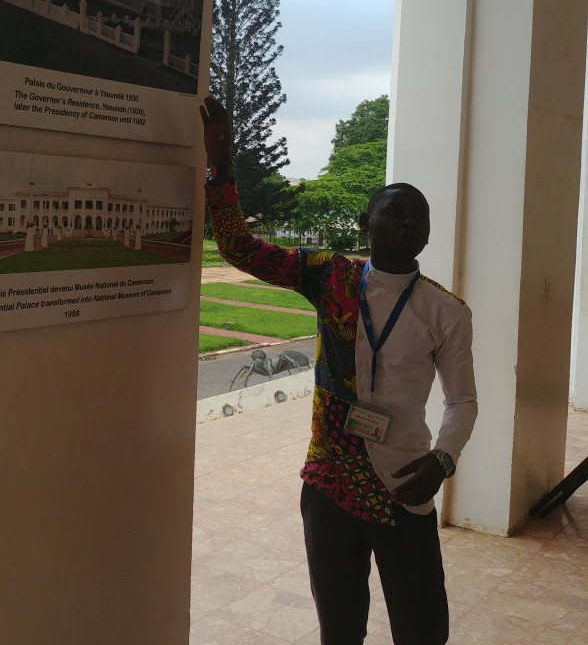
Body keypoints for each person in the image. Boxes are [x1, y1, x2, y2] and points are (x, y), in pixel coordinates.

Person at [199, 95, 477, 645]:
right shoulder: (330, 277)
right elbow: (237, 247)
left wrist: (443, 459)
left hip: (404, 481)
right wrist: (222, 166)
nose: (407, 222)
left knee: (423, 628)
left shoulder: (446, 311)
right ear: (363, 222)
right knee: (340, 626)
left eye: (418, 217)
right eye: (394, 210)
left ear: (427, 234)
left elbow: (462, 401)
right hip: (329, 483)